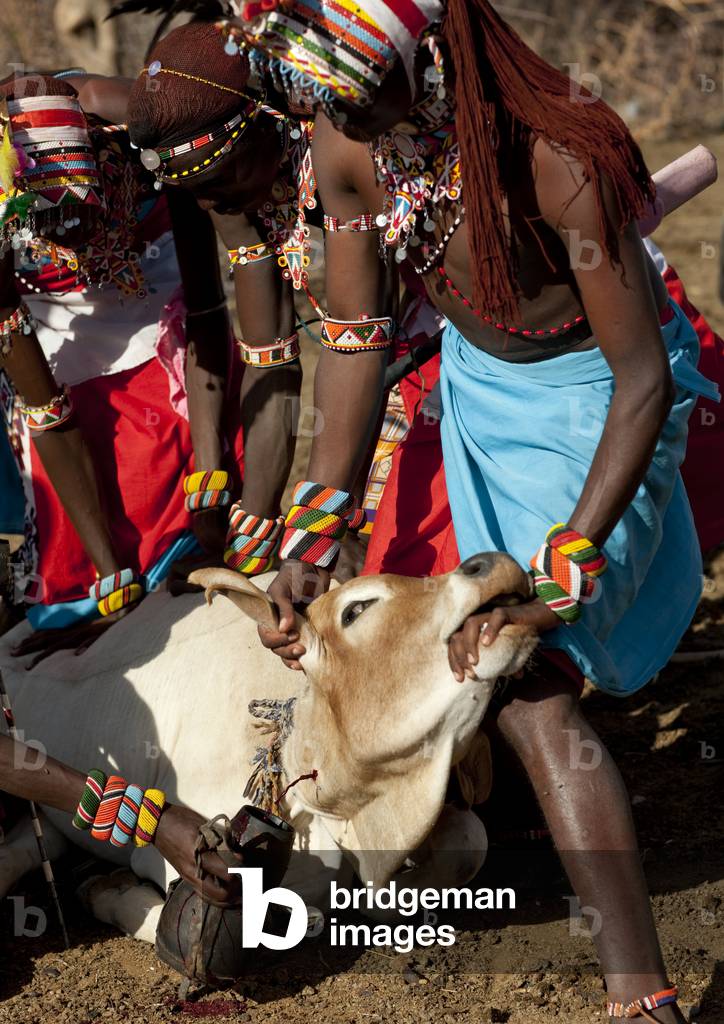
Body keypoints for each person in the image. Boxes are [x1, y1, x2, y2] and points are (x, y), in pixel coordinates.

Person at [230, 2, 721, 1020]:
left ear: (431, 60)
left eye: (365, 96)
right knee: (481, 655)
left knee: (531, 678)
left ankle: (640, 994)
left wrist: (561, 572)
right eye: (333, 105)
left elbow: (640, 381)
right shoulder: (350, 134)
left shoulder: (557, 157)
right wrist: (313, 536)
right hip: (478, 401)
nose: (348, 121)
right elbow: (359, 339)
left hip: (597, 402)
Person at [0, 71, 240, 660]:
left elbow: (207, 309)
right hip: (47, 318)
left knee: (179, 457)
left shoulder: (145, 128)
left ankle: (191, 544)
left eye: (79, 212)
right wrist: (110, 582)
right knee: (78, 543)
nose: (71, 233)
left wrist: (209, 482)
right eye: (51, 222)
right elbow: (45, 408)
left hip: (152, 285)